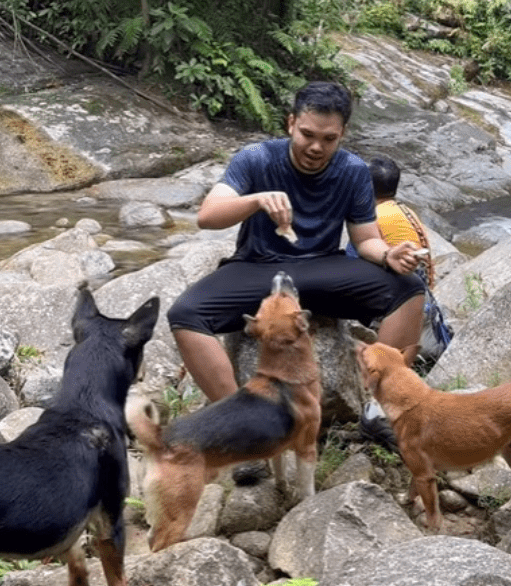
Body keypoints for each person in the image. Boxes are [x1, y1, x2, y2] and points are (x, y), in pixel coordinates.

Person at [167, 81, 426, 405]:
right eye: (307, 134)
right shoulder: (256, 158)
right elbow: (208, 216)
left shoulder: (354, 171)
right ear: (291, 123)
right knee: (186, 313)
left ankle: (381, 408)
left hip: (323, 268)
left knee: (409, 288)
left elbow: (365, 240)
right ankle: (237, 416)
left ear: (342, 133)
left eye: (328, 139)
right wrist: (257, 200)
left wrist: (389, 255)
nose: (316, 147)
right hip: (258, 267)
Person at [348, 155, 454, 368]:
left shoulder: (372, 217)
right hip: (424, 302)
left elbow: (352, 264)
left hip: (398, 303)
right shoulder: (405, 211)